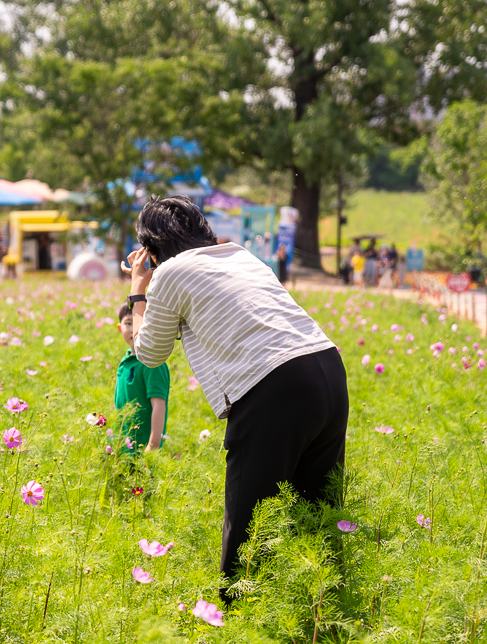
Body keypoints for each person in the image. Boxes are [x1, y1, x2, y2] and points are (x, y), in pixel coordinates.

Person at [122, 195, 346, 598]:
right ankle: (324, 609)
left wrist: (139, 290)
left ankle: (238, 619)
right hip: (326, 367)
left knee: (249, 529)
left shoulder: (170, 272)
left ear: (152, 248)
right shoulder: (238, 254)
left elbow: (149, 353)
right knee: (318, 515)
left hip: (274, 384)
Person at [114, 302, 170, 455]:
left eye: (141, 321)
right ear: (119, 328)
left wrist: (153, 446)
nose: (134, 328)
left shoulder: (153, 362)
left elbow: (159, 405)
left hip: (143, 449)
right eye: (128, 323)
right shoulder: (126, 361)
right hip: (122, 448)